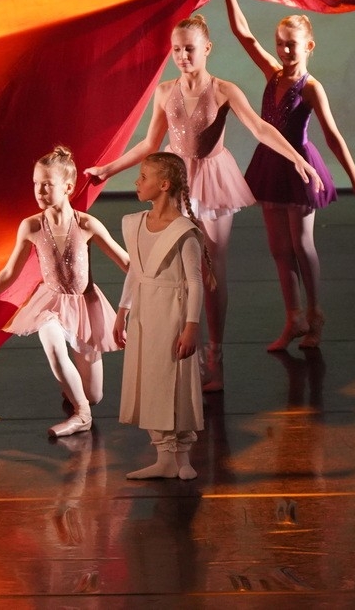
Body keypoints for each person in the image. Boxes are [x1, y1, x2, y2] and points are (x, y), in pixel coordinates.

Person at [85, 9, 320, 391]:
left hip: (212, 180)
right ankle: (181, 356)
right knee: (174, 270)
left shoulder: (224, 90)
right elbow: (150, 143)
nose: (182, 56)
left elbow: (260, 128)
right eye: (177, 50)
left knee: (211, 270)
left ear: (207, 48)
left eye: (189, 49)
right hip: (175, 181)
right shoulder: (166, 91)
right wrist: (108, 169)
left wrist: (296, 158)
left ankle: (216, 359)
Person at [224, 0, 355, 350]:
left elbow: (333, 135)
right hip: (270, 165)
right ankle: (292, 317)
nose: (283, 50)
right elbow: (245, 36)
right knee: (279, 248)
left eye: (291, 45)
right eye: (280, 43)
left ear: (308, 46)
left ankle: (315, 313)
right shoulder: (271, 73)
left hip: (300, 169)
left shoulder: (311, 87)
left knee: (302, 244)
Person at [0, 147, 128, 437]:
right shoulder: (32, 226)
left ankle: (78, 395)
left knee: (94, 395)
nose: (39, 190)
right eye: (36, 183)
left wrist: (160, 283)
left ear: (68, 187)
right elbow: (9, 273)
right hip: (50, 304)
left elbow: (126, 262)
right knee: (53, 345)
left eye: (47, 184)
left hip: (85, 306)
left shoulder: (87, 224)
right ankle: (82, 415)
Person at [113, 153, 209, 480]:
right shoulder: (135, 223)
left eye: (144, 177)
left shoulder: (183, 231)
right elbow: (136, 271)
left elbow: (195, 282)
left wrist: (191, 326)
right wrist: (122, 311)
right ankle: (166, 456)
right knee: (152, 379)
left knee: (174, 380)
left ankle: (180, 455)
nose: (137, 182)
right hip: (145, 314)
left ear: (164, 184)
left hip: (172, 315)